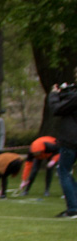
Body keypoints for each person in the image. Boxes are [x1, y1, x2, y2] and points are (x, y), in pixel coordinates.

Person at [48, 82, 77, 218]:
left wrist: (54, 94)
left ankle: (73, 208)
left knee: (63, 171)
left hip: (71, 140)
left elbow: (57, 109)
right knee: (66, 171)